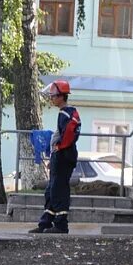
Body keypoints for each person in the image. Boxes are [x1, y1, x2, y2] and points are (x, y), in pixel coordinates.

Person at [35, 80, 81, 235]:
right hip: (60, 157)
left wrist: (59, 149)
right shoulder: (66, 113)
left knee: (58, 191)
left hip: (63, 156)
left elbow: (68, 136)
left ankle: (61, 226)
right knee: (51, 191)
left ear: (62, 96)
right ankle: (45, 223)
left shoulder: (65, 114)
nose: (51, 99)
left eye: (53, 96)